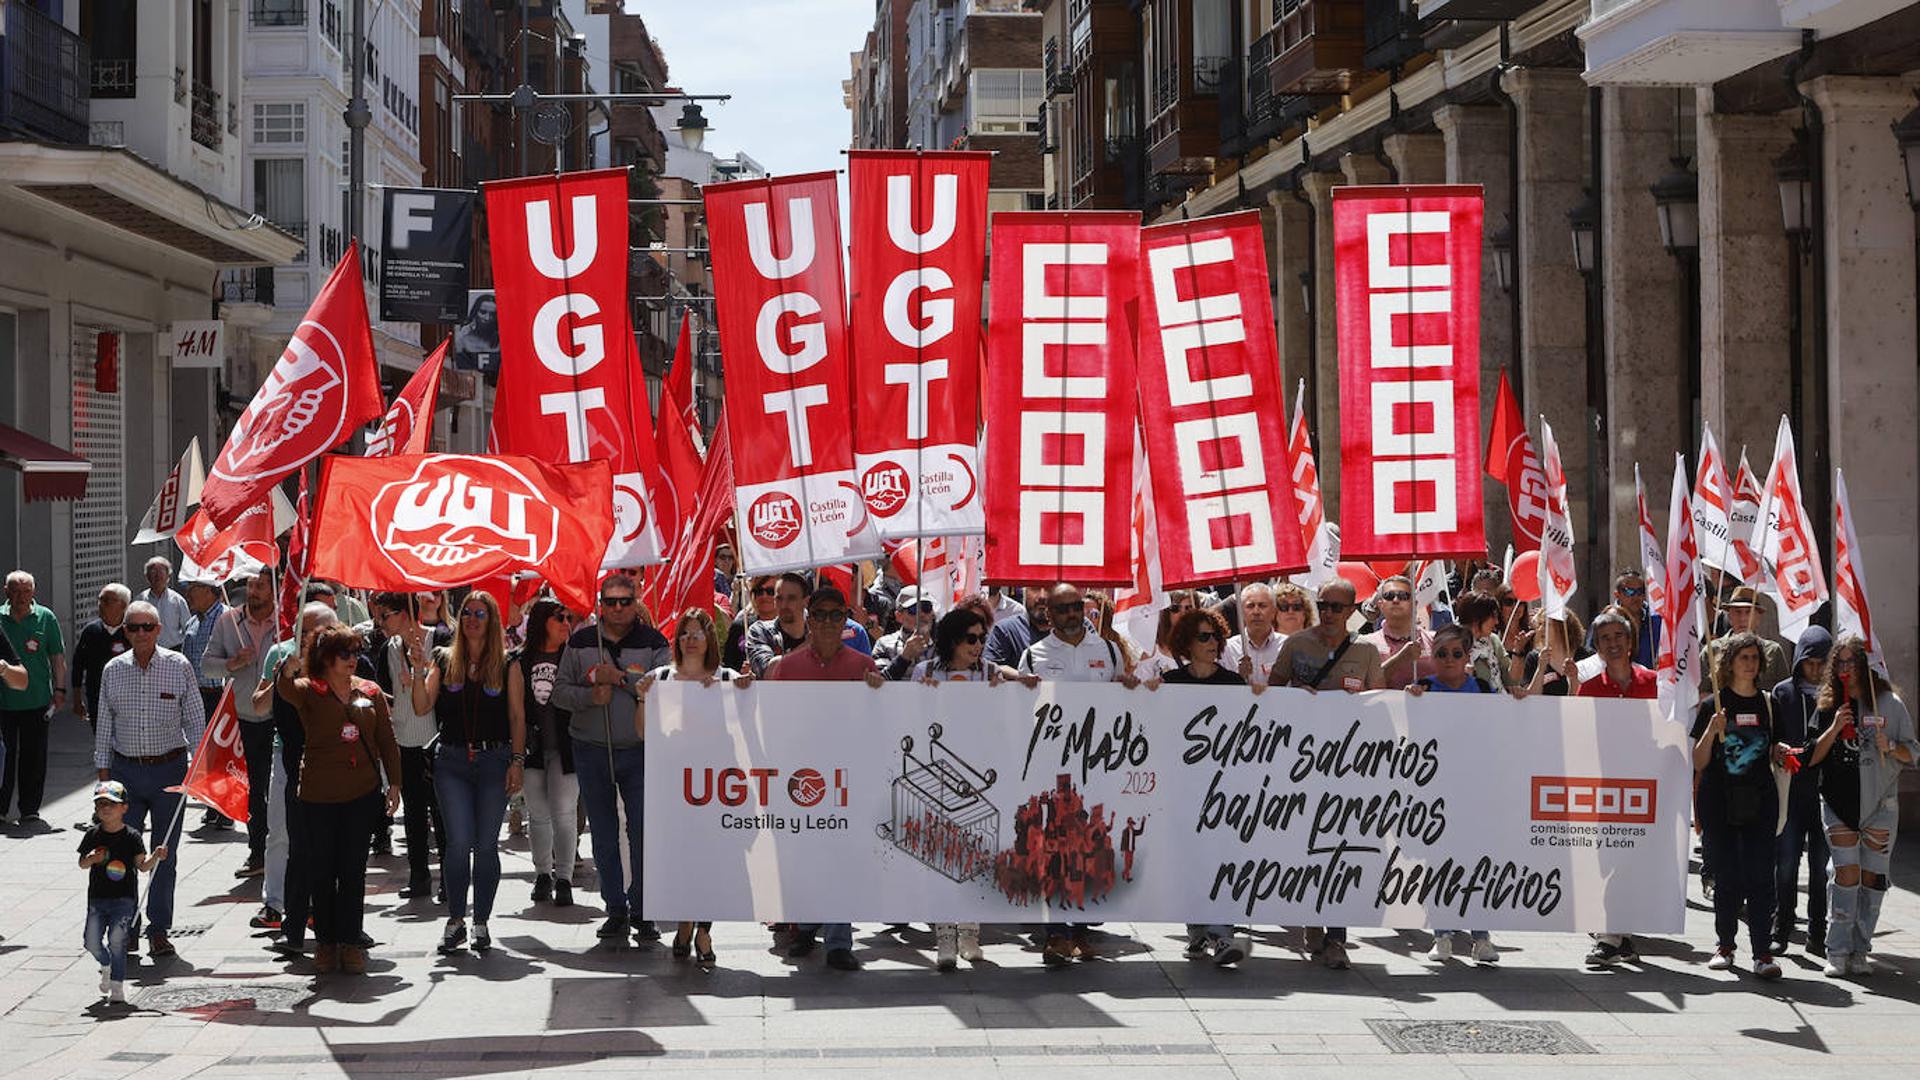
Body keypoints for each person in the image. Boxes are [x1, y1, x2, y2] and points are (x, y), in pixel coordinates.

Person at [1016, 583, 1140, 967]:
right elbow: (1019, 707)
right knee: (1052, 848)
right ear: (1048, 615)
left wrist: (1132, 688)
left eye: (1077, 607)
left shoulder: (1107, 649)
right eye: (1063, 608)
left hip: (1098, 765)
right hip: (1052, 768)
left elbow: (1123, 696)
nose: (1073, 614)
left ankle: (1082, 932)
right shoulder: (1034, 655)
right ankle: (1055, 934)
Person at [765, 586, 885, 970]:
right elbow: (771, 722)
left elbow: (882, 720)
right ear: (809, 618)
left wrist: (880, 695)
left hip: (849, 778)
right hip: (802, 778)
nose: (830, 622)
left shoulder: (864, 666)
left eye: (838, 615)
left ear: (846, 619)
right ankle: (806, 924)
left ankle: (838, 941)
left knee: (841, 858)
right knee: (805, 857)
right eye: (821, 615)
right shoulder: (786, 667)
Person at [552, 573, 669, 945]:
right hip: (590, 748)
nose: (618, 608)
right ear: (601, 604)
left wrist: (617, 679)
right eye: (611, 601)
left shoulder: (654, 643)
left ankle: (643, 909)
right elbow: (558, 693)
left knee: (642, 834)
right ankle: (615, 908)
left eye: (625, 601)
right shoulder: (582, 641)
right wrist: (590, 696)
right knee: (602, 834)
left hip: (638, 750)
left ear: (636, 603)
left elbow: (664, 690)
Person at [278, 624, 402, 974]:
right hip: (318, 796)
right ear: (326, 659)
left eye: (355, 653)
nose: (352, 660)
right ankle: (326, 944)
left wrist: (394, 784)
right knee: (322, 870)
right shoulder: (309, 690)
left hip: (361, 794)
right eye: (343, 654)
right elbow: (286, 690)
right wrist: (285, 669)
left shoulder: (371, 691)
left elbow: (387, 741)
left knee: (353, 871)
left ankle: (350, 942)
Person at [1275, 579, 1383, 970]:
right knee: (1307, 848)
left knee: (1340, 850)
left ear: (1351, 610)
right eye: (1324, 605)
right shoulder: (1297, 645)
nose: (1330, 613)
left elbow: (1381, 702)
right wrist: (1293, 694)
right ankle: (1312, 922)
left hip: (1349, 768)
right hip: (1302, 766)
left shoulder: (1367, 650)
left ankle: (1337, 938)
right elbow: (1273, 695)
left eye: (1338, 607)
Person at [411, 590, 523, 955]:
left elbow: (517, 717)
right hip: (452, 762)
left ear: (491, 622)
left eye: (481, 613)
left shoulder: (509, 665)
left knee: (486, 846)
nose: (473, 619)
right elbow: (422, 704)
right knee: (458, 844)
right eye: (468, 613)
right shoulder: (443, 659)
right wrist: (415, 670)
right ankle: (456, 919)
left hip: (495, 761)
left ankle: (481, 921)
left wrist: (518, 762)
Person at [93, 599, 206, 959]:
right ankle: (127, 928)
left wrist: (198, 766)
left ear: (159, 630)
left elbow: (195, 721)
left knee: (163, 854)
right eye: (133, 627)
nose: (140, 633)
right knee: (122, 855)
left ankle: (159, 930)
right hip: (125, 773)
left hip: (169, 771)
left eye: (147, 627)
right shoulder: (113, 669)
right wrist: (103, 777)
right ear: (125, 631)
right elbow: (104, 724)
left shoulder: (179, 666)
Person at [1803, 635, 1918, 977]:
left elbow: (1912, 753)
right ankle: (1836, 949)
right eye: (1840, 662)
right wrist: (1836, 726)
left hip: (1881, 803)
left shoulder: (1890, 704)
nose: (1847, 669)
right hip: (1838, 803)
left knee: (1873, 877)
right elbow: (1811, 756)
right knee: (1846, 873)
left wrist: (1891, 744)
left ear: (1867, 666)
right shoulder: (1826, 705)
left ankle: (1860, 948)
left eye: (1853, 662)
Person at [641, 607, 751, 963]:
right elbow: (643, 732)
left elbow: (750, 725)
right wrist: (643, 697)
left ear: (709, 641)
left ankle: (704, 929)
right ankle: (685, 919)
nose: (690, 640)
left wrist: (745, 689)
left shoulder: (728, 676)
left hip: (717, 788)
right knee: (680, 860)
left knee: (712, 861)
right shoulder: (660, 677)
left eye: (697, 634)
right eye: (684, 634)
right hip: (674, 788)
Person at [1159, 606, 1253, 968]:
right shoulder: (1171, 684)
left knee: (1219, 856)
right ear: (1186, 643)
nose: (1213, 643)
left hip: (1224, 789)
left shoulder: (1232, 683)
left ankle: (1223, 932)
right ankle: (1197, 931)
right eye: (1203, 637)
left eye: (1215, 636)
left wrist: (1252, 688)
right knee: (1190, 860)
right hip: (1183, 790)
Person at [1690, 632, 1786, 980]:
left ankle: (1763, 953)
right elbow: (1698, 761)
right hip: (1719, 800)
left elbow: (1778, 746)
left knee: (1762, 877)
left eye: (1754, 658)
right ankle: (1725, 945)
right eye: (1743, 657)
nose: (1750, 663)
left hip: (1760, 799)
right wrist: (1710, 730)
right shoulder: (1712, 704)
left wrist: (1781, 752)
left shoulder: (1769, 703)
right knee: (1727, 875)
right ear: (1729, 662)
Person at [911, 606, 999, 969]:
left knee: (976, 854)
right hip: (936, 775)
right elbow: (908, 716)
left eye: (982, 638)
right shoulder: (925, 672)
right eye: (971, 639)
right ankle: (944, 938)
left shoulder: (990, 674)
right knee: (941, 857)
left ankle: (970, 934)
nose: (978, 645)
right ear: (952, 640)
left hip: (978, 774)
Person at [254, 602, 343, 957]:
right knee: (285, 837)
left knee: (337, 850)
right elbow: (259, 704)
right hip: (290, 760)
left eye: (316, 631)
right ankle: (279, 907)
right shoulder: (281, 654)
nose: (308, 638)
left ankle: (335, 922)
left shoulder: (341, 660)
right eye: (303, 631)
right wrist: (280, 677)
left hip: (334, 764)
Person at [204, 570, 281, 879]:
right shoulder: (228, 622)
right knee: (253, 788)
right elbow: (207, 665)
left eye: (260, 585)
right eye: (250, 585)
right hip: (244, 719)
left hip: (279, 717)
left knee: (279, 788)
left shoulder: (285, 622)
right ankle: (257, 852)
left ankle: (283, 849)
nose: (254, 591)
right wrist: (231, 664)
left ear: (273, 590)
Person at [368, 592, 444, 901]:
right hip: (404, 741)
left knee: (441, 812)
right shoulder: (388, 647)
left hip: (434, 740)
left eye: (385, 615)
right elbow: (386, 695)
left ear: (405, 613)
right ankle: (419, 876)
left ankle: (450, 880)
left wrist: (419, 673)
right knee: (412, 813)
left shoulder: (439, 641)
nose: (380, 623)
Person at [511, 598, 580, 908]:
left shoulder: (574, 658)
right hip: (533, 748)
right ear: (542, 622)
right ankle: (542, 873)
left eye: (569, 618)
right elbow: (515, 713)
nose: (567, 623)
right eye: (559, 618)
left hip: (568, 747)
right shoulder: (519, 661)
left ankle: (564, 877)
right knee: (538, 815)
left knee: (564, 814)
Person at [1768, 625, 1831, 959]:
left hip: (1825, 792)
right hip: (1790, 789)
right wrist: (1778, 749)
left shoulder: (1836, 695)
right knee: (1787, 861)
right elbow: (1772, 733)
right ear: (1799, 661)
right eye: (1810, 663)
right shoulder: (1783, 693)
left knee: (1821, 867)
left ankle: (1818, 931)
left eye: (1823, 663)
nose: (1816, 670)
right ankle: (1782, 926)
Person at [77, 780, 167, 1003]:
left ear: (124, 808)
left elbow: (143, 866)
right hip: (97, 899)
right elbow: (81, 863)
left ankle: (117, 985)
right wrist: (91, 859)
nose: (106, 808)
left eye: (112, 804)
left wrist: (156, 856)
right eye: (101, 804)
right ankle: (105, 964)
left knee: (118, 942)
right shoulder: (93, 835)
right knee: (91, 942)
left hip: (124, 900)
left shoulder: (132, 837)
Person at [2, 570, 66, 828]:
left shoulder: (45, 618)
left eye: (26, 591)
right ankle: (1, 807)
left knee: (33, 756)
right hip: (3, 702)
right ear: (6, 592)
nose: (20, 597)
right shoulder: (0, 618)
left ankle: (29, 809)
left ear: (33, 593)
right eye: (15, 591)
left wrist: (59, 691)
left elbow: (57, 658)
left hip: (36, 700)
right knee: (5, 757)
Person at [179, 575, 231, 830]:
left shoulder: (228, 619)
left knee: (221, 754)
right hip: (196, 695)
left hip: (219, 696)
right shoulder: (192, 622)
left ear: (211, 591)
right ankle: (211, 804)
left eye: (194, 589)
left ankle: (225, 808)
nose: (189, 594)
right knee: (202, 755)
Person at [1704, 587, 1789, 690]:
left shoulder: (1773, 651)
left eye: (1748, 612)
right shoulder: (1712, 650)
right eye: (1738, 612)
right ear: (1729, 616)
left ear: (1758, 618)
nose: (1742, 618)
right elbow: (1698, 693)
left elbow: (1784, 693)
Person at [71, 583, 132, 727]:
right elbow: (78, 666)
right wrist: (77, 698)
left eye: (107, 601)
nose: (101, 605)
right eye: (100, 600)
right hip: (97, 698)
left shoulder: (133, 631)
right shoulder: (91, 632)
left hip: (128, 699)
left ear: (123, 605)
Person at [1359, 576, 1434, 689]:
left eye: (1403, 596)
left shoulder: (1435, 640)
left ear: (1415, 603)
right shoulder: (1365, 644)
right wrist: (1400, 659)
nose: (1395, 600)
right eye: (1389, 596)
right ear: (1380, 604)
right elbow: (1363, 684)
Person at [1584, 570, 1661, 669]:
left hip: (1647, 681)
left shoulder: (1655, 622)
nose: (1636, 597)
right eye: (1629, 592)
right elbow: (1592, 656)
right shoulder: (1604, 621)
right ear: (1617, 595)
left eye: (1640, 591)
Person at [744, 572, 811, 676]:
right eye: (779, 598)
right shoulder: (760, 631)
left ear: (806, 601)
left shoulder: (820, 631)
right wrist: (807, 646)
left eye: (791, 598)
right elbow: (768, 672)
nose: (784, 605)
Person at [1222, 584, 1287, 686]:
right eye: (1250, 606)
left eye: (1262, 606)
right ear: (1241, 612)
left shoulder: (1287, 646)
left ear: (1274, 612)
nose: (1256, 612)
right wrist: (1239, 677)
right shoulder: (1227, 649)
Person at [872, 586, 935, 681]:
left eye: (926, 608)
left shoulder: (944, 645)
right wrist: (904, 657)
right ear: (898, 616)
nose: (921, 614)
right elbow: (878, 683)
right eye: (914, 609)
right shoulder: (884, 644)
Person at [1133, 589, 1195, 680]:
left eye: (1188, 608)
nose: (1183, 613)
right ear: (1166, 613)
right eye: (1175, 608)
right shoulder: (1152, 652)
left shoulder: (1207, 647)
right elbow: (1141, 690)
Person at [983, 587, 1050, 669]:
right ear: (1025, 591)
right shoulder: (1005, 630)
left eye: (1049, 588)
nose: (1042, 596)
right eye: (1035, 588)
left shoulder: (1067, 633)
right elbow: (989, 668)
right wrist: (1019, 676)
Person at [723, 575, 778, 672]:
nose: (764, 596)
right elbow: (728, 665)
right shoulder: (740, 626)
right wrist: (739, 673)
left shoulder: (790, 628)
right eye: (759, 592)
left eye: (770, 592)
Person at [139, 557, 191, 650]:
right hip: (146, 649)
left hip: (174, 649)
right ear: (147, 577)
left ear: (168, 577)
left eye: (161, 572)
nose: (157, 576)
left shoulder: (178, 600)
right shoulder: (140, 600)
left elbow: (188, 629)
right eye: (153, 572)